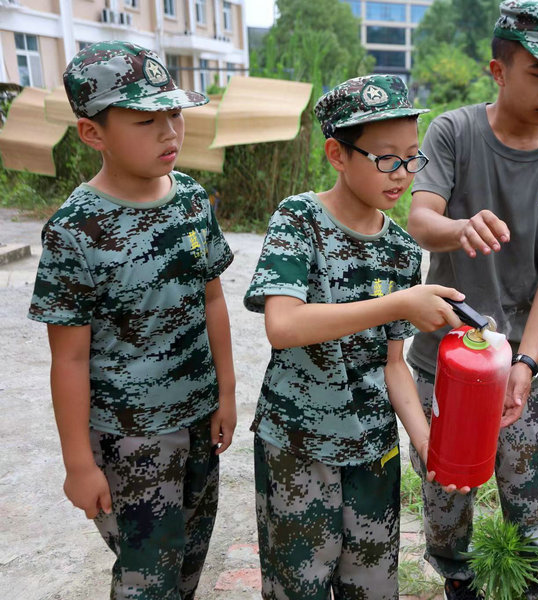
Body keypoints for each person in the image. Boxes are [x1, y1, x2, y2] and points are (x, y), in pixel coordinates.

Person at [405, 1, 538, 598]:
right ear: (498, 70)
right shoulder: (454, 133)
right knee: (446, 507)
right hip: (444, 363)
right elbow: (419, 218)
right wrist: (458, 228)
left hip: (522, 374)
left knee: (535, 511)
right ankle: (457, 582)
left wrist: (526, 362)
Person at [244, 74, 467, 600]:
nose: (403, 174)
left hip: (371, 447)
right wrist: (396, 303)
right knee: (298, 586)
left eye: (413, 159)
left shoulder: (400, 250)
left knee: (371, 586)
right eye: (386, 158)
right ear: (337, 154)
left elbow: (394, 365)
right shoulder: (300, 221)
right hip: (297, 446)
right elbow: (283, 325)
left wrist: (426, 441)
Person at [28, 41, 236, 599]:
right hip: (130, 439)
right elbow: (68, 356)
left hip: (196, 419)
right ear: (92, 134)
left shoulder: (192, 200)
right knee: (147, 577)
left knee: (190, 556)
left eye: (174, 113)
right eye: (146, 120)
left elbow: (212, 300)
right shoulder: (77, 229)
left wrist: (227, 393)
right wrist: (79, 464)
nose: (170, 132)